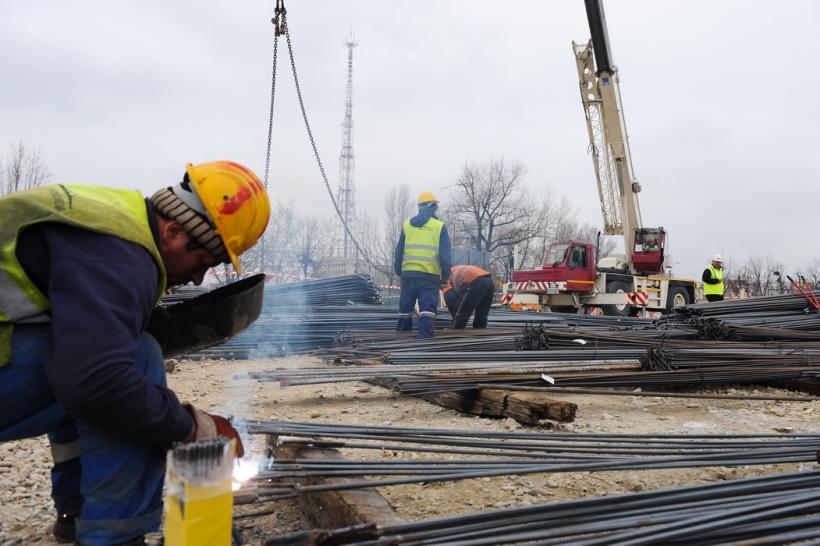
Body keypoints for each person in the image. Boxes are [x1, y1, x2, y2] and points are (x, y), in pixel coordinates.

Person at [0, 161, 270, 545]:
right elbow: (97, 383)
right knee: (133, 364)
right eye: (203, 263)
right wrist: (194, 427)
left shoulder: (112, 221)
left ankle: (75, 512)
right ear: (174, 231)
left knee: (88, 350)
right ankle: (114, 535)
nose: (197, 279)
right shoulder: (118, 257)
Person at [394, 191, 451, 339]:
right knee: (427, 309)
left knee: (405, 309)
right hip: (429, 276)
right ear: (432, 207)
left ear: (419, 207)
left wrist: (398, 270)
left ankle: (401, 340)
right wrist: (445, 276)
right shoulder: (439, 226)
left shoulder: (407, 225)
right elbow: (445, 256)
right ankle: (424, 343)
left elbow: (399, 251)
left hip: (408, 275)